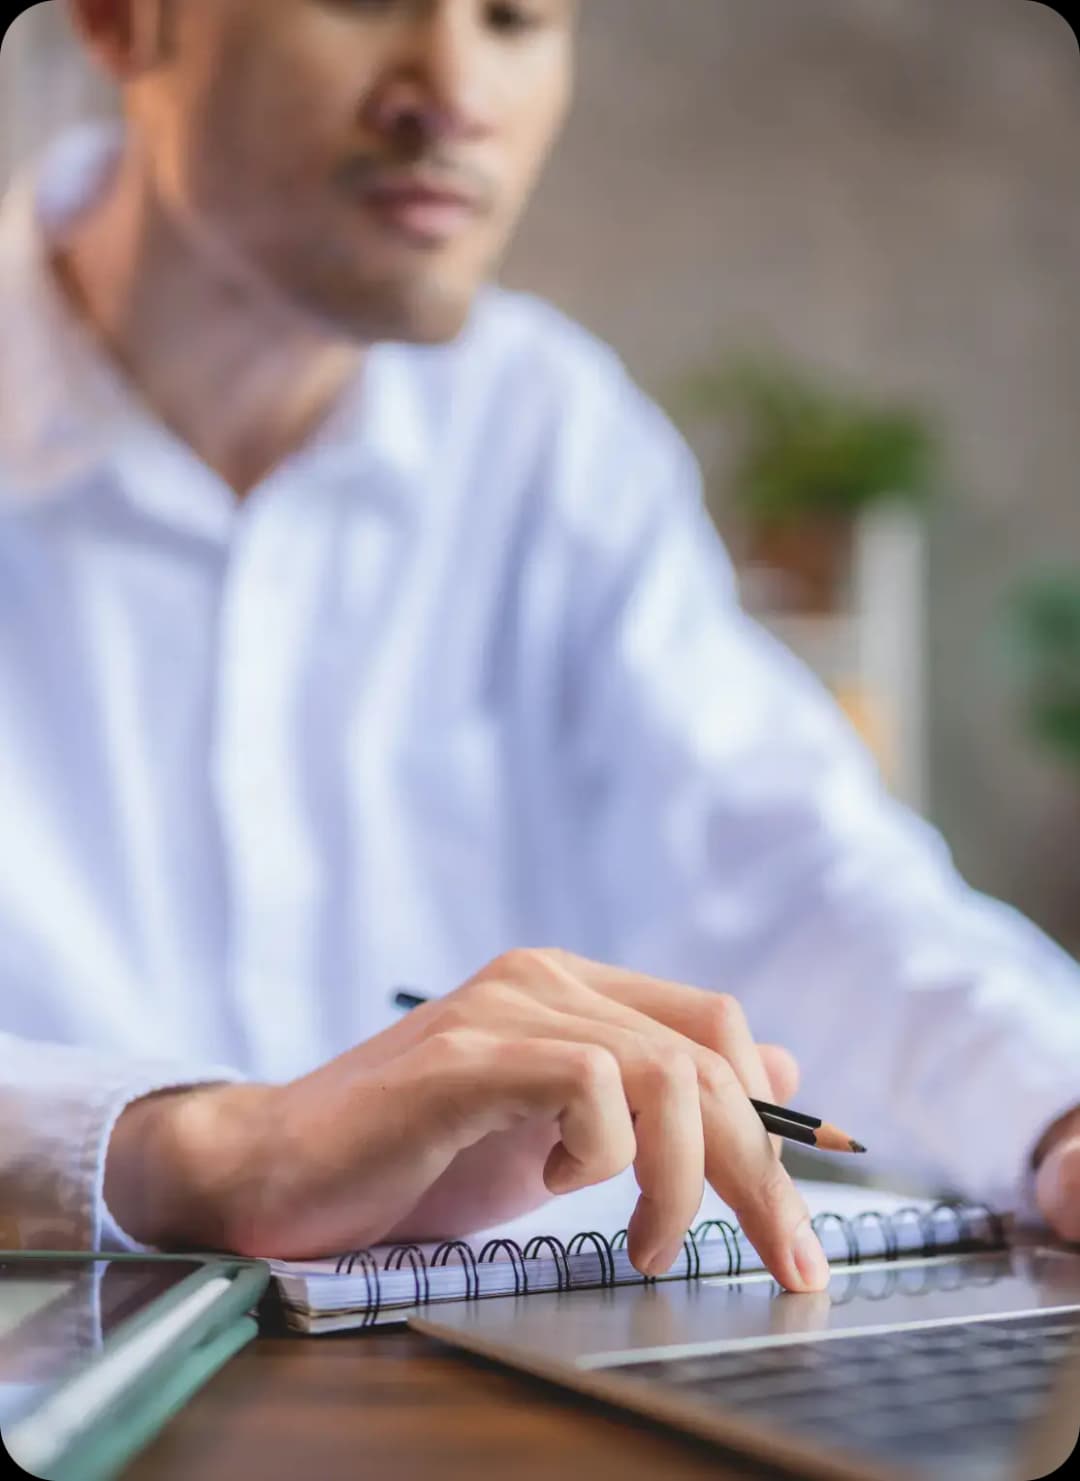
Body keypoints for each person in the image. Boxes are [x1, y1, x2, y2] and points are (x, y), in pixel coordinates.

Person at [2, 0, 1080, 1294]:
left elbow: (801, 874)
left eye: (518, 18)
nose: (455, 88)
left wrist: (1057, 1108)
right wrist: (209, 1146)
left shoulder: (548, 434)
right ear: (123, 21)